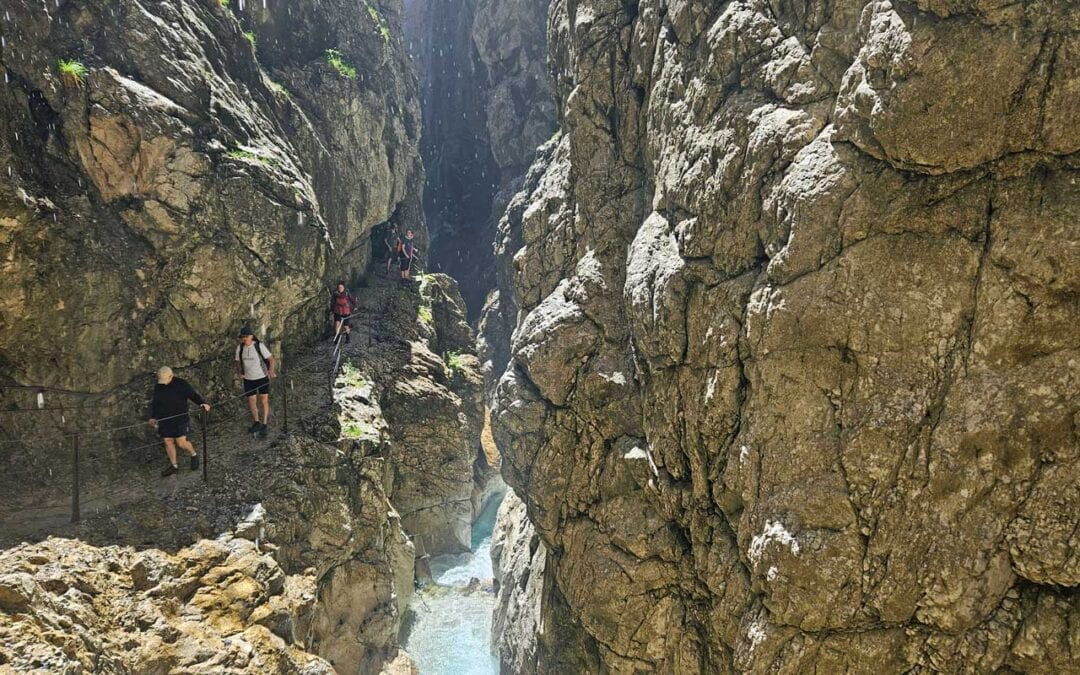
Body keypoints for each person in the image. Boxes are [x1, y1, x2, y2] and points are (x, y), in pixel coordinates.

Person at [148, 367, 211, 477]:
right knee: (168, 441)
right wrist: (153, 417)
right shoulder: (159, 386)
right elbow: (156, 402)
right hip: (165, 419)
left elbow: (193, 395)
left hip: (180, 418)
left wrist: (202, 403)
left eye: (165, 380)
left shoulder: (181, 384)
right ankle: (174, 466)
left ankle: (193, 454)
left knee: (181, 442)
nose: (163, 383)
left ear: (171, 376)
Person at [235, 326, 275, 437]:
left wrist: (270, 371)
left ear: (252, 336)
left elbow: (271, 359)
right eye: (242, 337)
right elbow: (237, 361)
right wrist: (239, 371)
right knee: (252, 401)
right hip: (248, 379)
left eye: (246, 336)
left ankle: (265, 424)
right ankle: (257, 422)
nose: (244, 339)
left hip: (262, 377)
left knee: (264, 401)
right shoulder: (240, 348)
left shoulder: (259, 346)